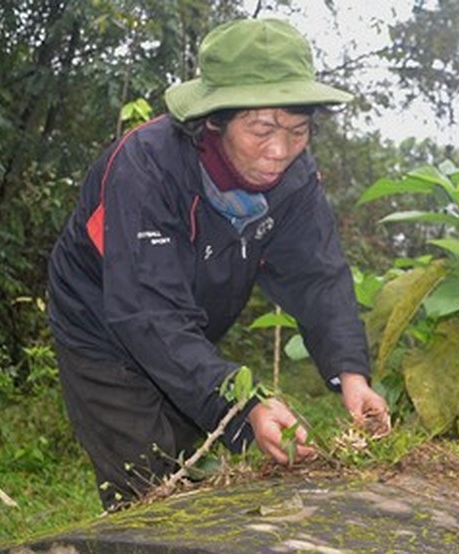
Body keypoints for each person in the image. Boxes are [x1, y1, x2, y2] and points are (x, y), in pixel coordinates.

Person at [46, 17, 389, 510]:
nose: (279, 151)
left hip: (188, 326)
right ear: (216, 119)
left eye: (297, 131)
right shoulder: (146, 167)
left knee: (197, 464)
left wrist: (351, 374)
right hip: (102, 327)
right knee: (148, 484)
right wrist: (244, 403)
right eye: (261, 129)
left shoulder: (294, 179)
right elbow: (145, 313)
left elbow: (317, 275)